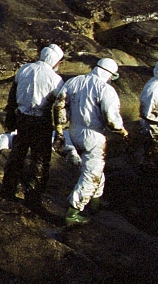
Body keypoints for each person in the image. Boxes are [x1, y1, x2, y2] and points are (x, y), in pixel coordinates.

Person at [53, 58, 127, 226]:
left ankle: (95, 201)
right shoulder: (106, 90)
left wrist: (60, 126)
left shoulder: (74, 81)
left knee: (94, 167)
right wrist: (122, 131)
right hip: (93, 135)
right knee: (91, 174)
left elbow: (59, 105)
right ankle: (73, 212)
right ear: (109, 73)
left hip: (74, 131)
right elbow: (112, 119)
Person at [1, 44, 65, 208]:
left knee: (17, 153)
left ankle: (7, 189)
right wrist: (59, 130)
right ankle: (33, 197)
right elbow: (59, 106)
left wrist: (10, 114)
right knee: (40, 159)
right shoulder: (56, 80)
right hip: (41, 120)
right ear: (56, 61)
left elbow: (12, 94)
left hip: (22, 118)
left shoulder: (24, 69)